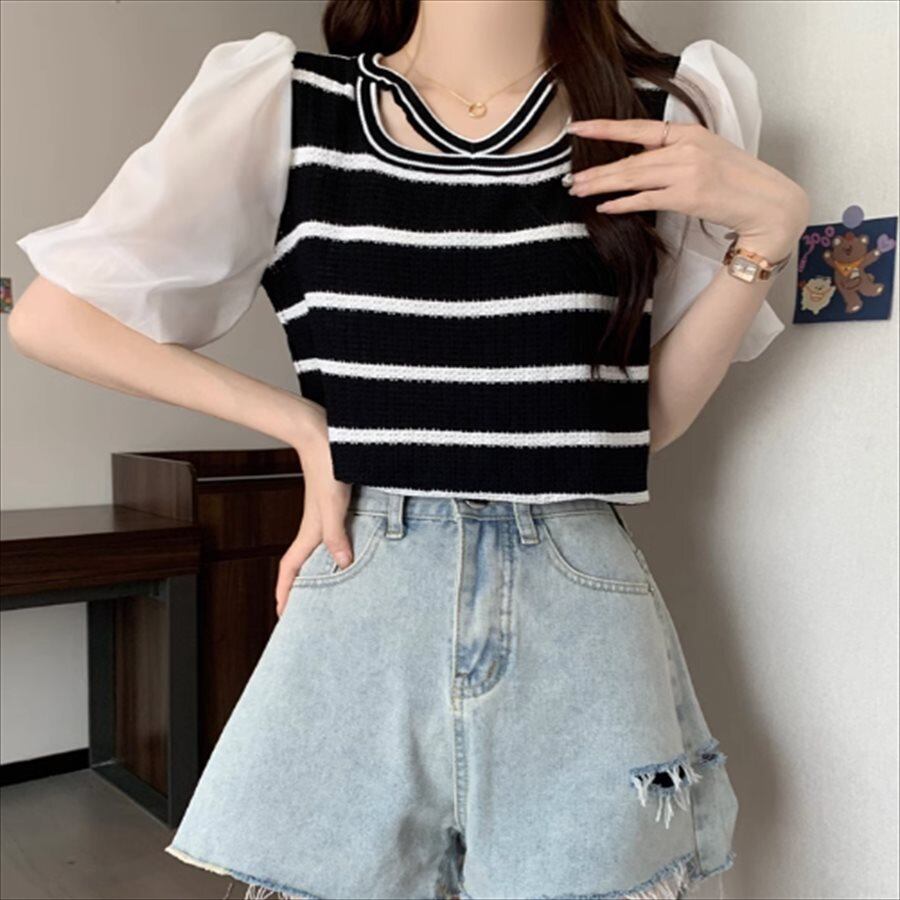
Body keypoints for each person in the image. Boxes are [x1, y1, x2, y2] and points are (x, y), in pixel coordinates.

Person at [9, 1, 809, 898]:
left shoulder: (654, 120)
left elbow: (638, 420)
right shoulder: (286, 106)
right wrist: (304, 426)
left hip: (578, 592)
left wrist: (768, 236)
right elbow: (54, 318)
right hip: (369, 579)